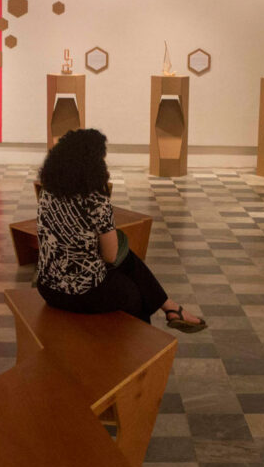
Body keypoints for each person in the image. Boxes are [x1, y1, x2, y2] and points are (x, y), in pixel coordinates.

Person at [35, 128, 206, 333]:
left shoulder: (47, 192)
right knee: (135, 296)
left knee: (129, 262)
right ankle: (144, 346)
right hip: (82, 292)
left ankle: (171, 308)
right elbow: (110, 256)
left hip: (48, 287)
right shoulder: (96, 200)